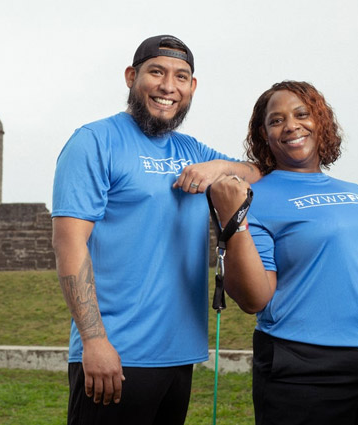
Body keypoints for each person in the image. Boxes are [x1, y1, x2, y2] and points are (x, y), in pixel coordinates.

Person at [208, 80, 358, 425]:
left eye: (301, 114)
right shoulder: (256, 198)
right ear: (264, 135)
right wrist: (233, 220)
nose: (291, 125)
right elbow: (255, 299)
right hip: (307, 369)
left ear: (320, 122)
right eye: (276, 120)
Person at [51, 35, 260, 425]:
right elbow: (69, 245)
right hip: (115, 356)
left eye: (181, 76)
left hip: (179, 357)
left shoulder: (193, 150)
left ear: (192, 87)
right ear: (132, 76)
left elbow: (257, 172)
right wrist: (95, 341)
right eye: (156, 72)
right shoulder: (94, 142)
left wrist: (217, 168)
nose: (168, 86)